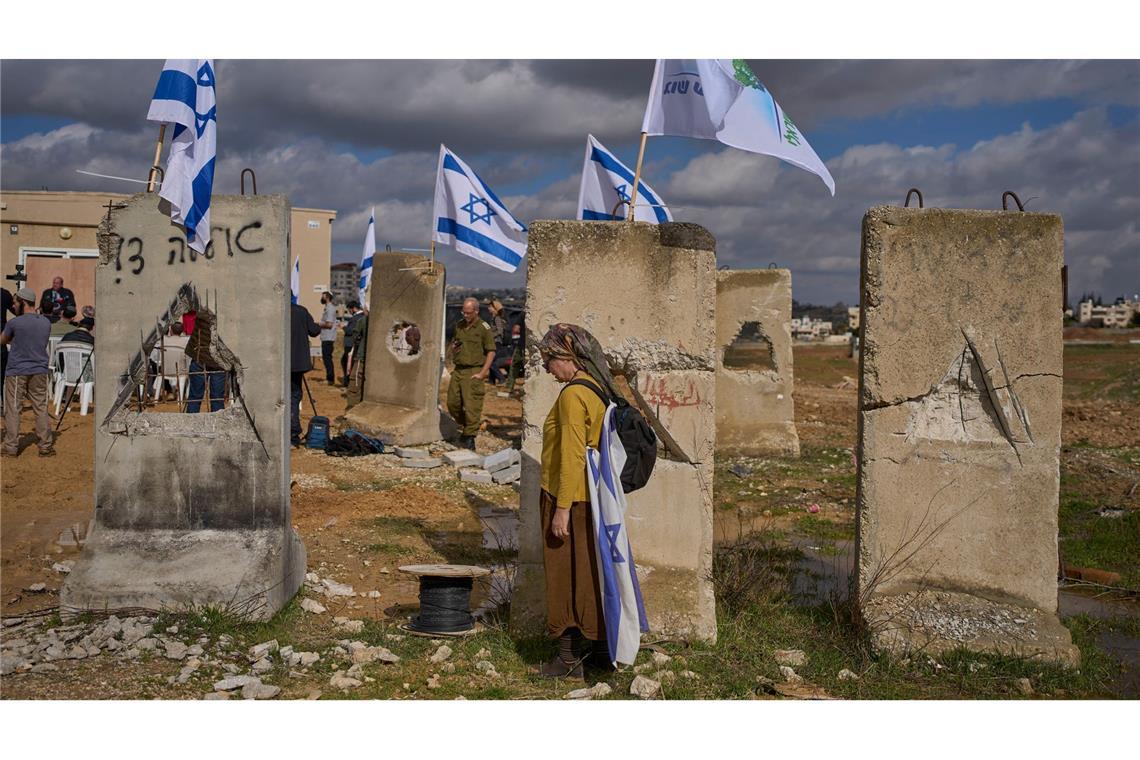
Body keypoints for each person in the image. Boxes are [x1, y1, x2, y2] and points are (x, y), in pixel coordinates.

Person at [534, 323, 618, 679]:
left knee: (564, 577)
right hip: (591, 499)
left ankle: (567, 659)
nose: (546, 368)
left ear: (566, 356)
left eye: (548, 360)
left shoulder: (572, 395)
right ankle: (600, 652)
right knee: (589, 577)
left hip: (568, 497)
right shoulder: (597, 389)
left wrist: (562, 509)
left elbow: (572, 455)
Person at [1, 288, 54, 457]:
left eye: (16, 303)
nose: (14, 306)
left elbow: (3, 340)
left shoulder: (15, 323)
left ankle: (11, 447)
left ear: (23, 302)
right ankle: (45, 445)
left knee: (13, 407)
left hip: (17, 370)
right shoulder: (45, 322)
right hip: (39, 370)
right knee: (40, 406)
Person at [446, 297, 495, 450]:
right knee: (452, 403)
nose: (465, 315)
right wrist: (454, 350)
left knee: (472, 405)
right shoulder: (459, 326)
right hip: (459, 369)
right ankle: (468, 426)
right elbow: (456, 342)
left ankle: (469, 436)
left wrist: (482, 373)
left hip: (474, 370)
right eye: (463, 312)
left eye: (468, 313)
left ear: (476, 311)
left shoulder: (483, 328)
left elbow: (491, 351)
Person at [184, 309, 226, 413]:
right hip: (218, 361)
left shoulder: (203, 312)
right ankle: (217, 425)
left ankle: (191, 424)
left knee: (195, 397)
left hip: (201, 357)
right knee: (217, 398)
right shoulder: (225, 317)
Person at [291, 300, 321, 446]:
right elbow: (314, 331)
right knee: (294, 396)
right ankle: (293, 431)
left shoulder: (275, 310)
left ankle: (289, 429)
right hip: (297, 363)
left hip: (278, 363)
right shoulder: (301, 311)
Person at [345, 307, 368, 409]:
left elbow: (355, 336)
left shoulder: (364, 320)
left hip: (362, 358)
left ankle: (351, 412)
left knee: (355, 385)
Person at [340, 300, 364, 387]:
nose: (349, 312)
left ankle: (348, 382)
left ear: (353, 308)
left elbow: (350, 331)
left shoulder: (356, 318)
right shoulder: (361, 316)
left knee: (347, 363)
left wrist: (343, 327)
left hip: (350, 344)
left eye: (349, 310)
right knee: (347, 361)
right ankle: (348, 380)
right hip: (353, 343)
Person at [318, 292, 337, 385]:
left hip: (328, 337)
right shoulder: (327, 308)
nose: (321, 298)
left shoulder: (330, 308)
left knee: (327, 359)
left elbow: (329, 324)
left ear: (327, 297)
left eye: (323, 296)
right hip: (326, 336)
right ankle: (329, 378)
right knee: (326, 358)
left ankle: (330, 379)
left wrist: (319, 324)